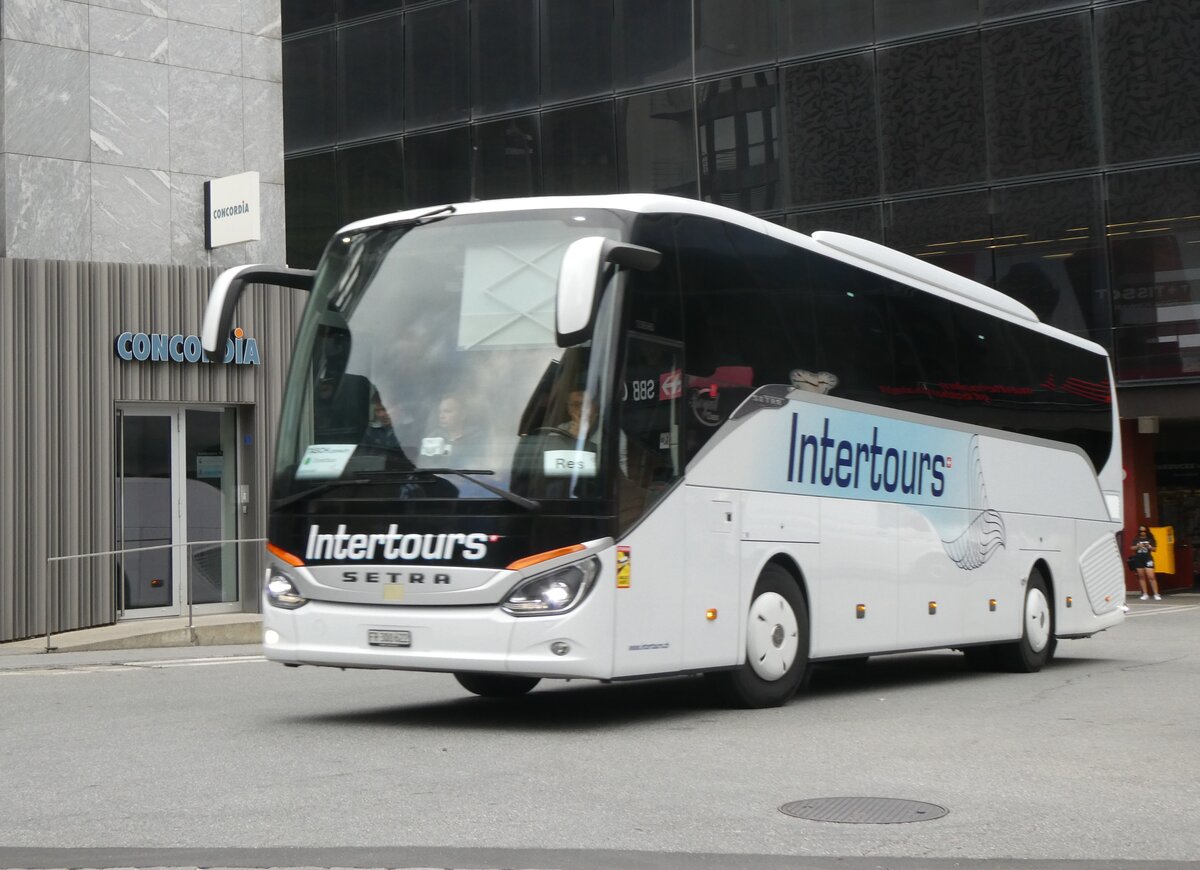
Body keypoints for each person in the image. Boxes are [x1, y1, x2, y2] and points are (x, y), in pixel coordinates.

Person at [1128, 525, 1162, 601]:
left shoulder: (1150, 539)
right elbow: (1131, 547)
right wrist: (1138, 547)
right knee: (1141, 576)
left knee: (1151, 576)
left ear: (1146, 531)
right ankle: (1145, 593)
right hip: (1138, 558)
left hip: (1148, 558)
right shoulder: (1136, 539)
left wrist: (1149, 546)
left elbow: (1154, 549)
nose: (1142, 533)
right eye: (1140, 531)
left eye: (1143, 531)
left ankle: (1156, 594)